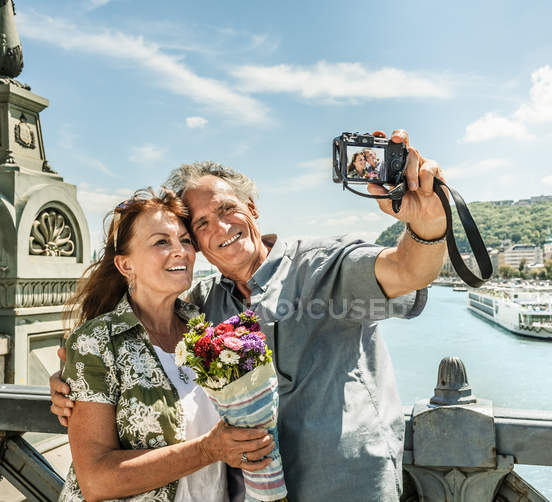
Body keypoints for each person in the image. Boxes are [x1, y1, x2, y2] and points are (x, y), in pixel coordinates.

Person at [51, 130, 448, 501]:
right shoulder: (201, 309)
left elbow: (407, 271)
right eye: (201, 224)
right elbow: (131, 336)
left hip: (344, 488)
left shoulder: (324, 268)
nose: (220, 226)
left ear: (253, 209)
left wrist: (427, 226)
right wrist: (72, 381)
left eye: (227, 209)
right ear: (200, 246)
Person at [56, 188, 274, 502]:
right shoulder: (96, 342)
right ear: (125, 265)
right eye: (161, 242)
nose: (180, 251)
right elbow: (96, 480)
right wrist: (208, 450)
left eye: (185, 240)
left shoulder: (205, 330)